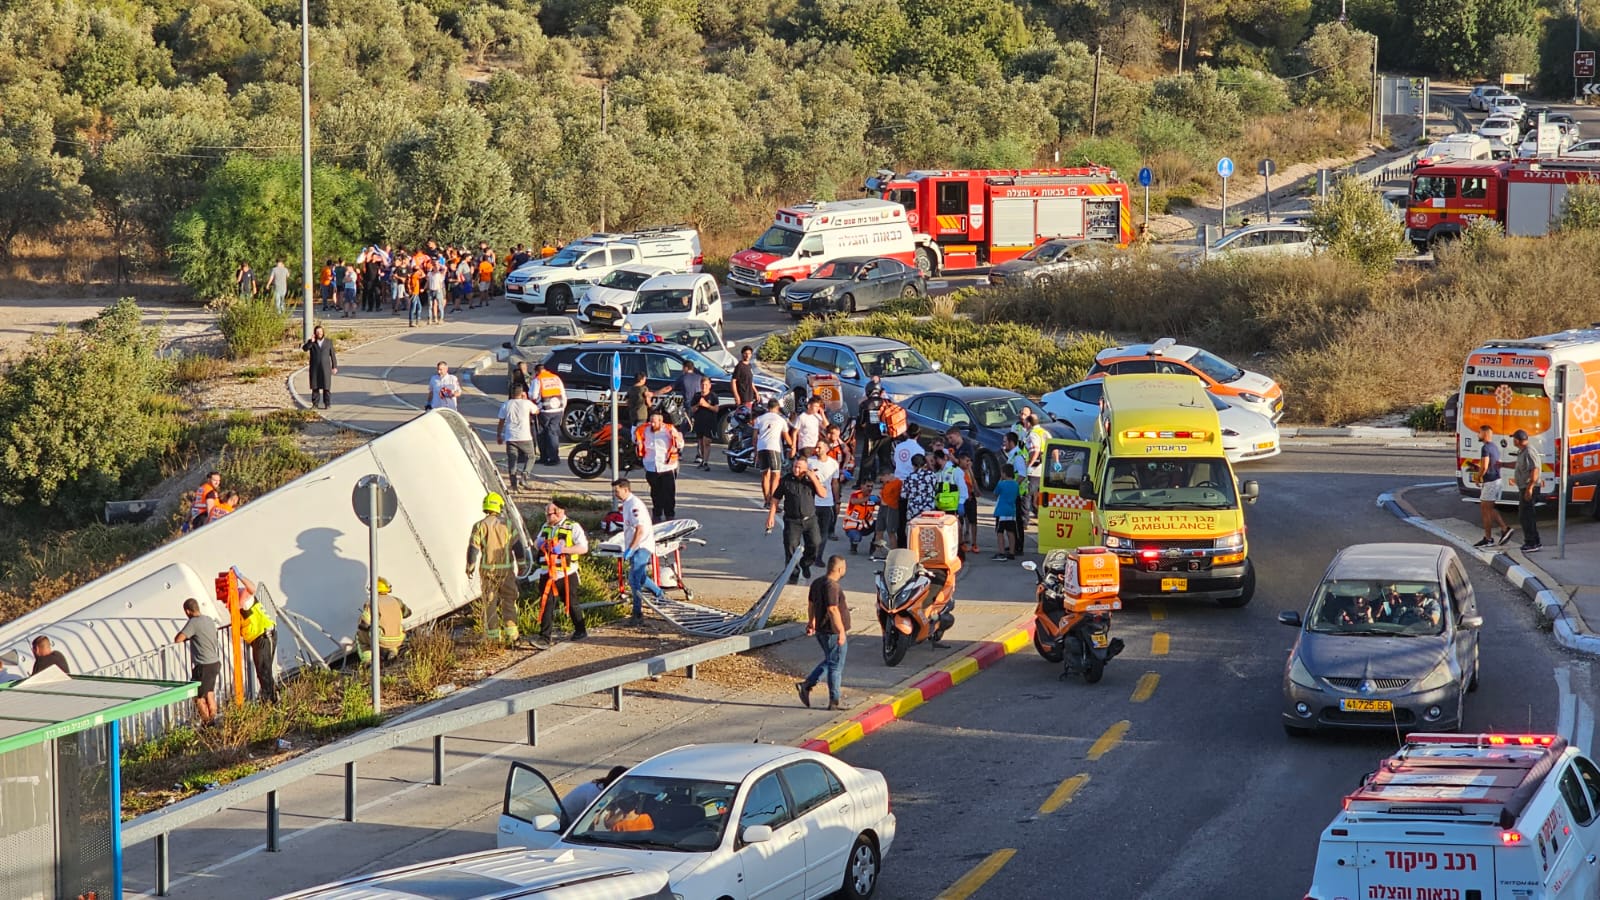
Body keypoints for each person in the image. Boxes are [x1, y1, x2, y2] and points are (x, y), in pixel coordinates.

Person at [796, 555, 851, 711]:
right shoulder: (832, 586)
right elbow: (832, 609)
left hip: (821, 630)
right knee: (836, 666)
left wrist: (811, 621)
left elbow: (811, 604)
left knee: (831, 660)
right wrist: (841, 631)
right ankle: (834, 701)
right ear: (839, 569)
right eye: (844, 567)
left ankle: (807, 685)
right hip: (831, 631)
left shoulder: (817, 582)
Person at [467, 492, 523, 642]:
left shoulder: (480, 526)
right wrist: (522, 565)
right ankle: (512, 636)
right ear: (499, 507)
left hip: (488, 572)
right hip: (506, 571)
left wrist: (470, 566)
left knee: (490, 603)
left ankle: (493, 638)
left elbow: (473, 549)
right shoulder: (508, 525)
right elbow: (518, 547)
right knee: (509, 601)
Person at [534, 501, 589, 644]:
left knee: (571, 603)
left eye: (549, 514)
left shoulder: (573, 526)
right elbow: (536, 542)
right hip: (547, 573)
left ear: (559, 512)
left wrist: (563, 550)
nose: (547, 517)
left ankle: (580, 630)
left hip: (567, 574)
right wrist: (541, 544)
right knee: (546, 604)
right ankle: (544, 638)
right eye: (546, 514)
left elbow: (583, 548)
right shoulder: (546, 526)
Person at [614, 479, 664, 625]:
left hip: (641, 546)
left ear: (625, 490)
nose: (615, 494)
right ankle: (660, 595)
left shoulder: (634, 505)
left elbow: (640, 529)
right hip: (637, 546)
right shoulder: (627, 504)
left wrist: (631, 548)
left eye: (617, 491)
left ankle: (637, 613)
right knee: (640, 577)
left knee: (634, 579)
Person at [231, 569, 278, 703]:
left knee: (264, 671)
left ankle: (270, 701)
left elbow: (251, 588)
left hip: (264, 636)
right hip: (259, 639)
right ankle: (272, 698)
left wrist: (240, 576)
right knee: (263, 671)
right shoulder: (237, 605)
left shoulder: (242, 597)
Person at [778, 452, 824, 583]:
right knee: (791, 546)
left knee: (815, 543)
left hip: (810, 519)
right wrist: (771, 516)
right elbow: (776, 498)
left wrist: (813, 478)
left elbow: (823, 494)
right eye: (795, 467)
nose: (796, 470)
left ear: (806, 469)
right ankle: (793, 574)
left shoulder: (811, 481)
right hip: (792, 520)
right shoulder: (786, 480)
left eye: (799, 467)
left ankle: (806, 563)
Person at [174, 598, 221, 725]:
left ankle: (207, 723)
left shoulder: (193, 623)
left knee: (198, 697)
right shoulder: (208, 619)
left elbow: (178, 639)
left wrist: (189, 635)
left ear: (187, 611)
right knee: (209, 693)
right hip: (214, 662)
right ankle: (213, 720)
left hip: (203, 665)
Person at [636, 409, 684, 521]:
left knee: (669, 493)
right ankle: (657, 514)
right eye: (651, 421)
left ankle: (669, 515)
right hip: (651, 466)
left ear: (660, 421)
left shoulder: (669, 429)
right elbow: (635, 438)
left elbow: (680, 444)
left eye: (655, 422)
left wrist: (677, 437)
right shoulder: (644, 430)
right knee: (655, 493)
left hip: (667, 466)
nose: (652, 424)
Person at [356, 576, 413, 664]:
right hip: (398, 638)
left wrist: (366, 626)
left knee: (361, 638)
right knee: (391, 636)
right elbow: (408, 613)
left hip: (381, 638)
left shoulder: (371, 603)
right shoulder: (397, 601)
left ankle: (368, 661)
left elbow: (364, 624)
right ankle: (392, 652)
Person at [1474, 424, 1514, 548]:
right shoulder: (1494, 447)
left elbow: (1485, 467)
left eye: (1479, 432)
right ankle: (1503, 530)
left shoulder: (1485, 448)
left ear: (1485, 434)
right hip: (1496, 480)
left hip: (1490, 482)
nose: (1478, 435)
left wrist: (1478, 477)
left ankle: (1490, 538)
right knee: (1489, 509)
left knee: (1486, 510)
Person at [755, 399, 788, 532]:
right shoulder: (780, 419)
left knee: (765, 474)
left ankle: (766, 500)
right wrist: (792, 445)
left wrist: (755, 450)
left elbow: (755, 436)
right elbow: (786, 436)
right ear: (777, 408)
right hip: (774, 447)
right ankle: (773, 502)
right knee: (776, 475)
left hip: (761, 447)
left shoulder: (760, 419)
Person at [499, 385, 538, 491]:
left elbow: (501, 421)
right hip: (525, 436)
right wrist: (525, 399)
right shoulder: (527, 403)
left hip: (510, 437)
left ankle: (514, 485)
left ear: (511, 393)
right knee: (531, 457)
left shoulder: (506, 405)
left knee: (512, 460)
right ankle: (524, 476)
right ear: (522, 393)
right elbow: (536, 411)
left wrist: (499, 435)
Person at [1512, 428, 1543, 552]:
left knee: (1526, 516)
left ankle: (1532, 542)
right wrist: (1502, 464)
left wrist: (1530, 488)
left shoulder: (1529, 451)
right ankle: (1534, 541)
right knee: (1526, 515)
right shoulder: (1522, 451)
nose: (1513, 441)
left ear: (1517, 440)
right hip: (1525, 487)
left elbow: (1535, 469)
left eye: (1514, 439)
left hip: (1529, 487)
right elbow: (1519, 465)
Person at [812, 436, 840, 558]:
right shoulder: (809, 462)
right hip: (812, 502)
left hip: (827, 503)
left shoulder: (833, 464)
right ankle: (810, 554)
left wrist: (837, 501)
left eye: (819, 447)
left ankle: (819, 556)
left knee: (824, 532)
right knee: (812, 532)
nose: (817, 450)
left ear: (827, 449)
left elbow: (835, 483)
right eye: (816, 447)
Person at [533, 362, 567, 466]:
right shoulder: (556, 378)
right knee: (552, 433)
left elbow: (533, 395)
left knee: (543, 434)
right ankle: (551, 457)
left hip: (544, 411)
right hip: (558, 410)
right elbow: (563, 394)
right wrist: (562, 409)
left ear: (537, 371)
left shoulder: (538, 379)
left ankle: (549, 458)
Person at [992, 463, 1022, 560]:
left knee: (1000, 532)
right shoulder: (1016, 485)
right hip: (1011, 511)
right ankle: (1012, 552)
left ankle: (1001, 552)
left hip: (1001, 511)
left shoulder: (1002, 484)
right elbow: (1017, 495)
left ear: (1004, 473)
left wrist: (1000, 480)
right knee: (1011, 532)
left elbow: (995, 493)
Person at [302, 326, 337, 409]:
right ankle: (315, 404)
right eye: (317, 332)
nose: (319, 333)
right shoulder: (312, 342)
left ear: (323, 332)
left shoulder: (328, 342)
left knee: (326, 387)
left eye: (320, 332)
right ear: (315, 333)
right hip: (315, 368)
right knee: (315, 387)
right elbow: (305, 349)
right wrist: (311, 342)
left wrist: (334, 367)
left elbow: (332, 355)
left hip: (325, 368)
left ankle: (327, 404)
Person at [842, 481, 878, 555]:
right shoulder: (855, 495)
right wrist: (868, 498)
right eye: (868, 486)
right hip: (853, 526)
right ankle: (854, 545)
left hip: (866, 525)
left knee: (880, 525)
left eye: (871, 486)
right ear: (862, 486)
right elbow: (853, 501)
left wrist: (879, 499)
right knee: (856, 537)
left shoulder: (873, 498)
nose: (870, 488)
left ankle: (874, 545)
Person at [691, 375, 718, 471]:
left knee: (707, 441)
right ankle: (702, 460)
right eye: (702, 385)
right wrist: (699, 404)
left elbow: (716, 409)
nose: (704, 387)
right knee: (701, 442)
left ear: (709, 386)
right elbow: (692, 409)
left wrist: (707, 405)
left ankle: (706, 461)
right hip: (699, 422)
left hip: (709, 422)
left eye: (706, 385)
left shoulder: (713, 396)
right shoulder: (697, 396)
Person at [903, 453, 939, 522]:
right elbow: (936, 489)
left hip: (913, 510)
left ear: (913, 465)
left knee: (914, 527)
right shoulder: (932, 475)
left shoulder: (910, 477)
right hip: (929, 509)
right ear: (925, 463)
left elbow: (904, 495)